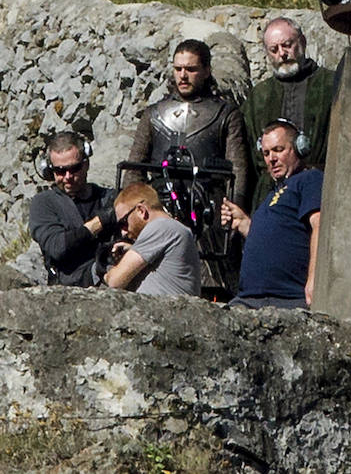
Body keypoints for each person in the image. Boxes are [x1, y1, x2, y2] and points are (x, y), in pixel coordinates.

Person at [126, 38, 252, 297]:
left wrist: (231, 212)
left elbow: (237, 170)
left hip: (209, 215)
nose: (183, 76)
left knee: (212, 287)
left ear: (206, 70)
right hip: (161, 211)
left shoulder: (226, 114)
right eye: (178, 68)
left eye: (191, 69)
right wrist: (135, 214)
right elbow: (134, 169)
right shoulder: (153, 114)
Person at [221, 120, 322, 309]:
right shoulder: (272, 195)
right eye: (266, 153)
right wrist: (243, 223)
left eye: (278, 150)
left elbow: (319, 225)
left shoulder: (309, 179)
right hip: (249, 299)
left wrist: (314, 279)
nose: (271, 159)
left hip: (287, 299)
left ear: (299, 148)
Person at [241, 17, 334, 208]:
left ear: (302, 42)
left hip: (322, 190)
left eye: (287, 45)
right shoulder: (259, 95)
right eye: (274, 50)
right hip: (271, 196)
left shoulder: (331, 84)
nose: (282, 54)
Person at [29, 131, 116, 286]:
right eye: (60, 171)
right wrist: (100, 222)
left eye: (75, 169)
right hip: (71, 288)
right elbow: (57, 247)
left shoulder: (107, 197)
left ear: (86, 164)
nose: (68, 176)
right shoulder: (43, 203)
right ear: (50, 171)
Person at [101, 183, 200, 297]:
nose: (123, 232)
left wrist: (105, 272)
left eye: (124, 222)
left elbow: (115, 281)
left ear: (141, 211)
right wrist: (132, 249)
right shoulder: (173, 229)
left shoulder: (161, 226)